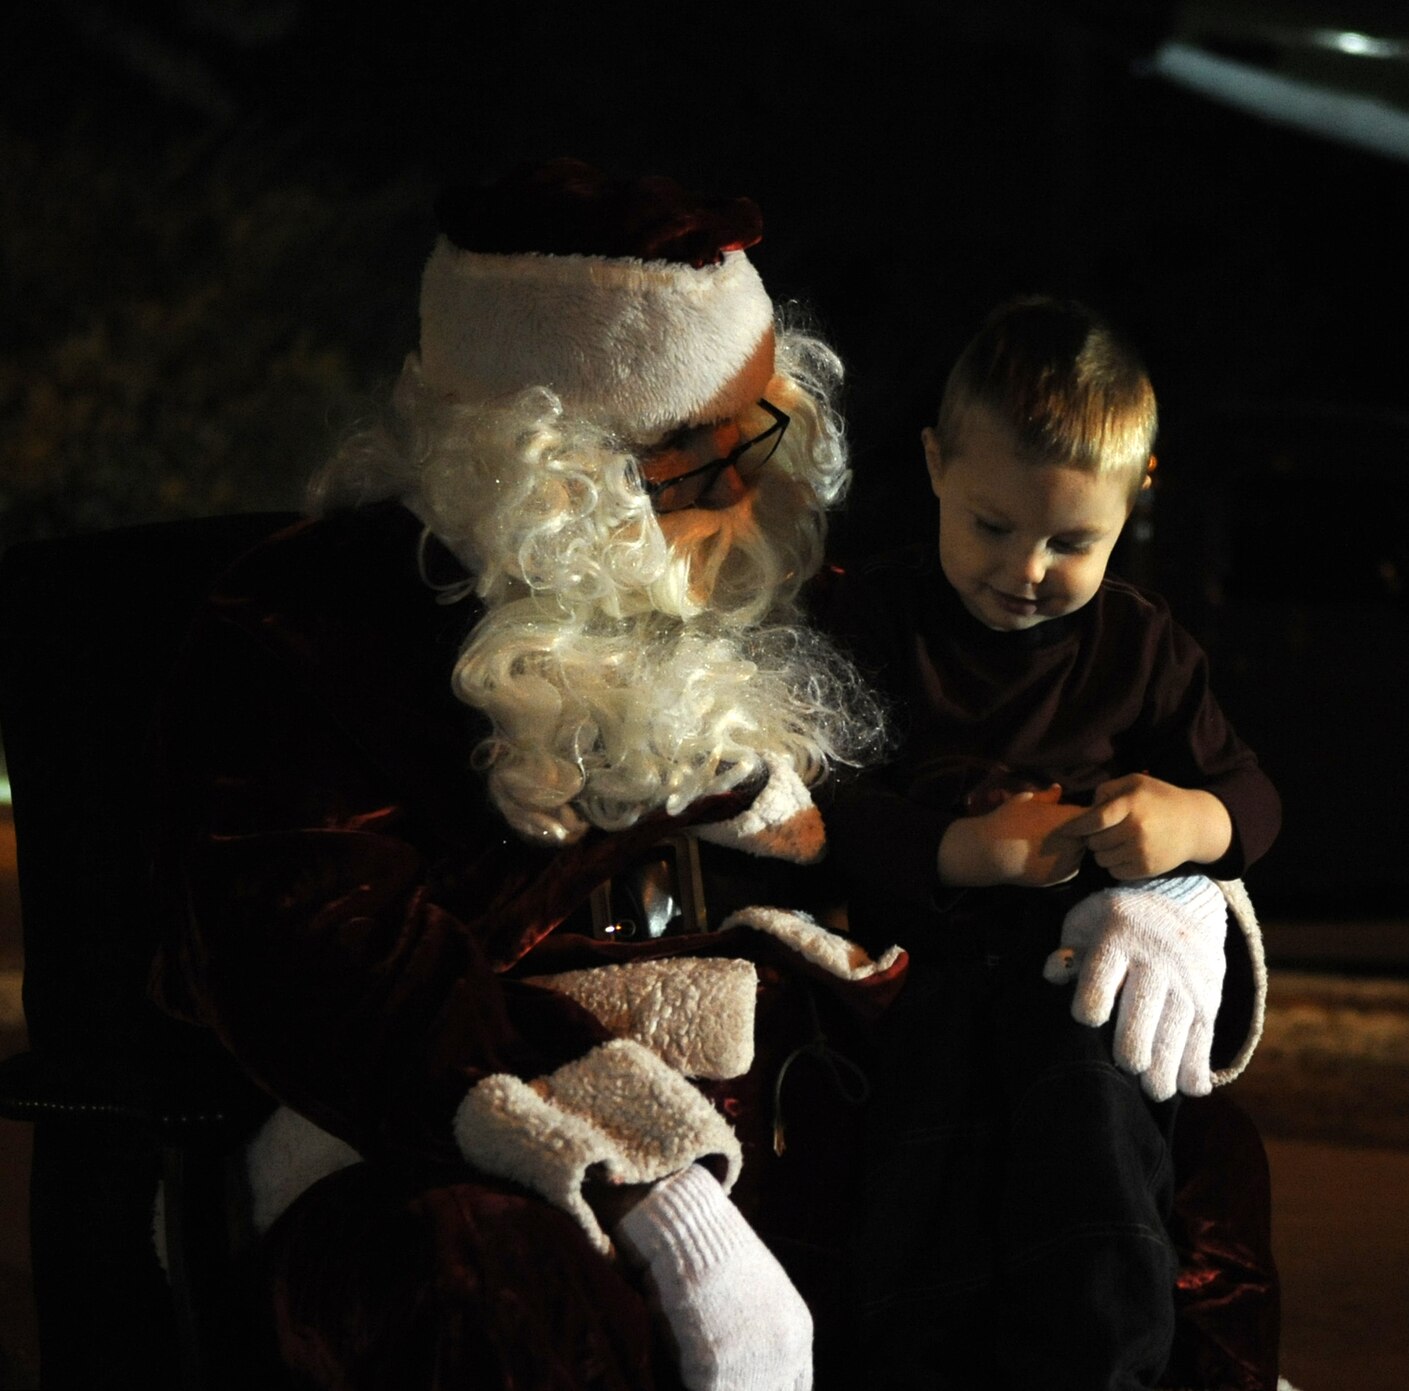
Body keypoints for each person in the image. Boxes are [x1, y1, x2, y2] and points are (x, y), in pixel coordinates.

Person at [151, 158, 902, 1391]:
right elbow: (324, 957)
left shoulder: (744, 572)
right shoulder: (310, 629)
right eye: (710, 459)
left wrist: (1161, 880)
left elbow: (928, 799)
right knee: (485, 1292)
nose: (759, 490)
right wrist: (650, 1174)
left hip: (772, 1102)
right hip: (434, 1146)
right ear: (551, 472)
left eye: (765, 430)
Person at [814, 295, 1283, 1390]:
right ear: (933, 464)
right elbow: (824, 812)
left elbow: (1253, 799)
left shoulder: (1138, 645)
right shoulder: (873, 620)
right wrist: (966, 849)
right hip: (912, 987)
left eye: (1071, 540)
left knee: (1095, 1170)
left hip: (1076, 989)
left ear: (1134, 505)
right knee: (923, 1213)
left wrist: (1186, 822)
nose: (1025, 568)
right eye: (991, 524)